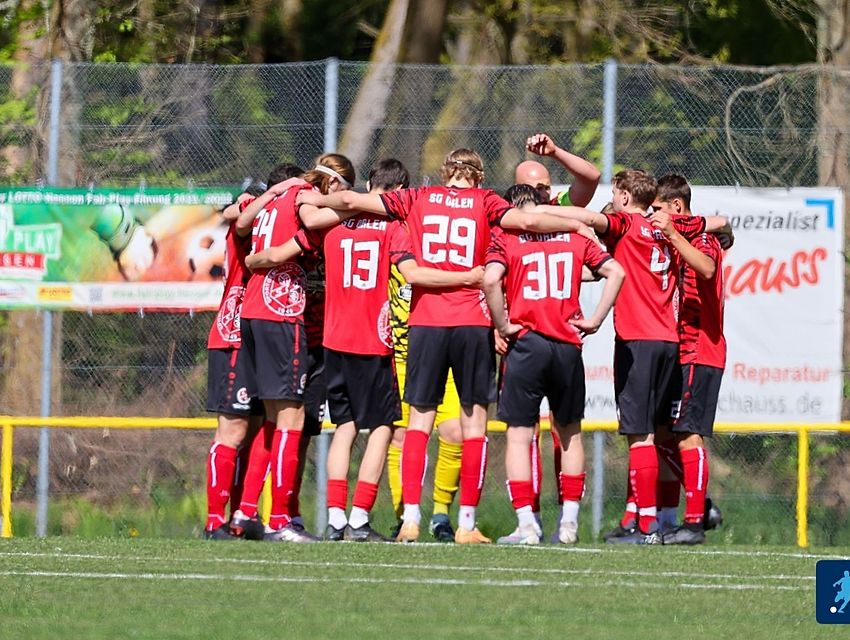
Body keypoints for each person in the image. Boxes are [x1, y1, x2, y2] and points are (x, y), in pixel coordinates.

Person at [297, 148, 593, 544]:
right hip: (472, 321)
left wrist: (309, 196)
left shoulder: (417, 197)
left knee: (418, 424)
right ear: (479, 175)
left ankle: (411, 519)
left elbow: (350, 201)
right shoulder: (486, 201)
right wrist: (577, 222)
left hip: (426, 322)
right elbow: (527, 220)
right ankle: (466, 523)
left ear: (445, 172)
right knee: (474, 425)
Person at [246, 158, 484, 542]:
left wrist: (255, 256)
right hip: (372, 340)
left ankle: (335, 518)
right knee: (383, 427)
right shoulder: (393, 226)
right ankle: (359, 518)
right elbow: (411, 273)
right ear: (400, 191)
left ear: (370, 184)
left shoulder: (333, 224)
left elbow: (291, 238)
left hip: (332, 339)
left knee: (345, 428)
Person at [531, 169, 730, 544]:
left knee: (645, 436)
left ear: (624, 197)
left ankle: (655, 523)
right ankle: (656, 518)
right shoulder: (672, 228)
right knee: (661, 435)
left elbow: (590, 218)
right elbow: (719, 221)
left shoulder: (640, 227)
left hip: (655, 343)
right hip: (670, 342)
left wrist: (539, 214)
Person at [484, 184, 625, 545]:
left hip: (527, 345)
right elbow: (615, 272)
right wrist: (595, 319)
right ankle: (569, 524)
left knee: (519, 436)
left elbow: (490, 279)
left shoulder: (507, 237)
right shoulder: (573, 238)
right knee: (570, 433)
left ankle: (527, 525)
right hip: (566, 345)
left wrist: (501, 325)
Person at [231, 153, 357, 543]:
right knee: (292, 419)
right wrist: (350, 208)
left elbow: (243, 223)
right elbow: (314, 220)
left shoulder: (279, 196)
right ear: (332, 183)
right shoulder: (304, 196)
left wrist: (257, 256)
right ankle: (280, 519)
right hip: (280, 310)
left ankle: (245, 512)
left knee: (272, 421)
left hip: (255, 309)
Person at [203, 176, 304, 540]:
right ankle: (214, 520)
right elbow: (234, 213)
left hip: (258, 333)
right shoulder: (252, 215)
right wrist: (270, 195)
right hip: (233, 334)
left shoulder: (269, 223)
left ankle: (244, 513)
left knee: (263, 423)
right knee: (232, 428)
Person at [377, 160, 465, 543]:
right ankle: (404, 515)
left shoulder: (442, 239)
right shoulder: (390, 235)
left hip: (440, 350)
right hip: (398, 356)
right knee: (400, 437)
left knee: (455, 432)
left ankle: (442, 515)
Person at [650, 173, 726, 545]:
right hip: (679, 350)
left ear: (676, 206)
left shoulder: (702, 240)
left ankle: (694, 523)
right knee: (661, 433)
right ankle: (702, 504)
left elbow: (707, 268)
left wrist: (675, 235)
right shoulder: (680, 237)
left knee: (686, 434)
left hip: (700, 350)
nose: (654, 215)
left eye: (658, 208)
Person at [515, 133, 601, 207]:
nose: (545, 195)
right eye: (539, 188)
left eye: (547, 188)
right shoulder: (508, 212)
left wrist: (555, 152)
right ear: (518, 190)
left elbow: (592, 176)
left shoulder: (557, 207)